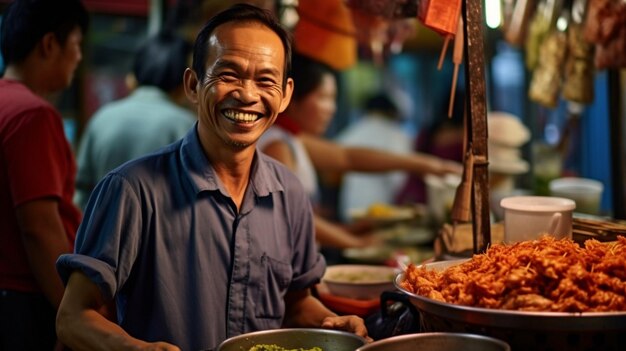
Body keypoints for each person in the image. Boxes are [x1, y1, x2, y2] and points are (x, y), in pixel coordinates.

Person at [55, 4, 369, 351]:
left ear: (285, 95)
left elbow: (295, 304)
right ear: (193, 84)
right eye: (229, 75)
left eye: (265, 80)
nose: (247, 95)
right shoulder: (132, 190)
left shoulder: (288, 192)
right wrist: (136, 349)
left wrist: (331, 324)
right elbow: (73, 317)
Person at [258, 54, 462, 249]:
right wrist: (355, 242)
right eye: (324, 97)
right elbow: (292, 217)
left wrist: (430, 165)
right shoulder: (278, 145)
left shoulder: (290, 138)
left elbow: (347, 157)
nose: (331, 108)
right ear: (291, 99)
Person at [0, 0, 88, 350]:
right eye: (77, 45)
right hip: (24, 300)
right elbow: (38, 227)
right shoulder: (33, 114)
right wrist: (73, 315)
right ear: (50, 44)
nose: (79, 57)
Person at [74, 31, 196, 210]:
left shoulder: (102, 118)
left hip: (102, 234)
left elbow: (82, 192)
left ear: (132, 78)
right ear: (185, 83)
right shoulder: (188, 127)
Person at [335, 92, 413, 222]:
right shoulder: (398, 135)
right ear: (391, 112)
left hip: (351, 208)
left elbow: (332, 172)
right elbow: (400, 180)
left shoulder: (354, 131)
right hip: (387, 210)